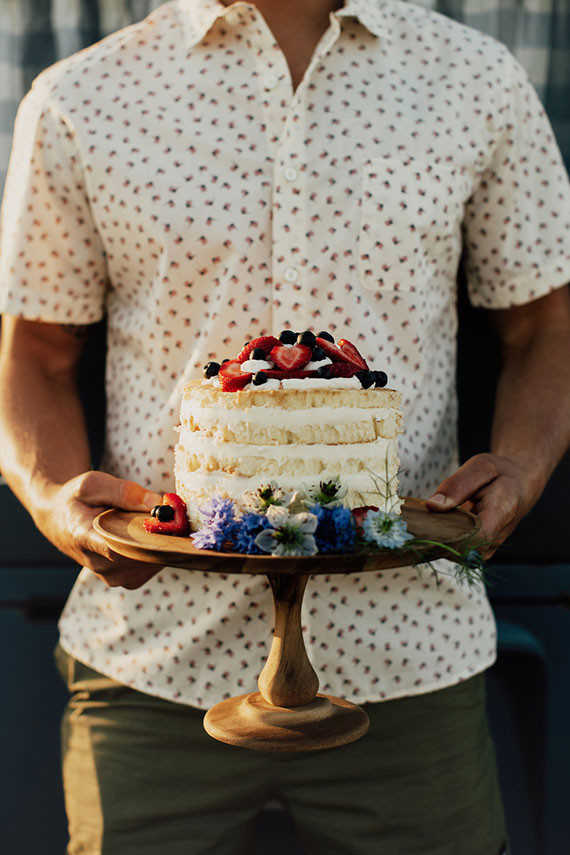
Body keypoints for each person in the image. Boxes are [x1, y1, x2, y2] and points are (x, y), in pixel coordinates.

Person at [1, 0, 569, 852]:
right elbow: (36, 353)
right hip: (155, 657)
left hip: (408, 651)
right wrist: (50, 495)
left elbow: (543, 326)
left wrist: (523, 464)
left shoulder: (475, 78)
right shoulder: (82, 94)